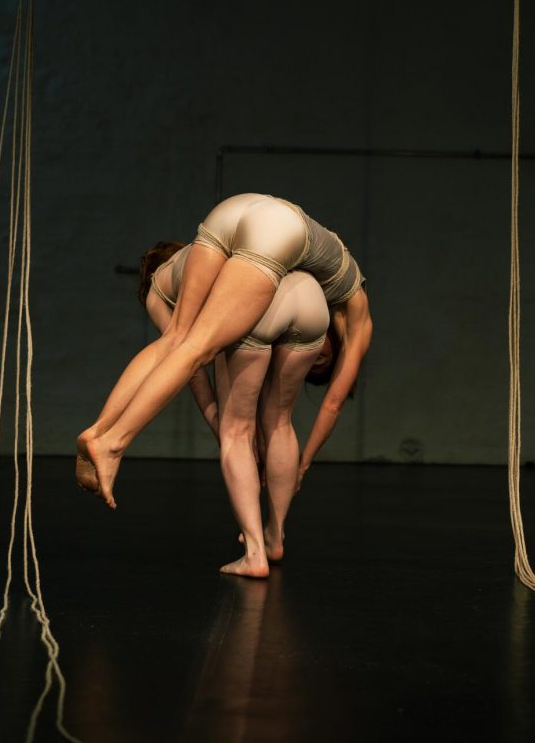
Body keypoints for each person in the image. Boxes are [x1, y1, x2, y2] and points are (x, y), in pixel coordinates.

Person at [76, 194, 372, 511]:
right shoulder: (358, 315)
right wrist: (303, 464)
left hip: (229, 213)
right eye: (321, 363)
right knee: (196, 349)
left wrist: (227, 431)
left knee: (177, 340)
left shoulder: (318, 277)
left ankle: (99, 430)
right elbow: (333, 403)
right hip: (277, 227)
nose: (315, 360)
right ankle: (113, 442)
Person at [126, 241, 329, 576]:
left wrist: (219, 423)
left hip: (255, 301)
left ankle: (255, 553)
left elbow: (188, 367)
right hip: (310, 298)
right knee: (280, 422)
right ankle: (275, 536)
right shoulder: (214, 251)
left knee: (236, 431)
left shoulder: (160, 289)